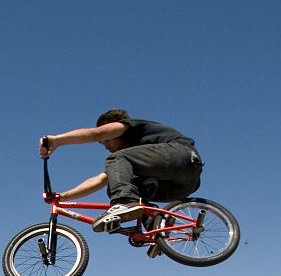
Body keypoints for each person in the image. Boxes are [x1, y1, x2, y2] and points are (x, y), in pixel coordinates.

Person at [39, 109, 204, 255]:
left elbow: (95, 133)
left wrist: (56, 140)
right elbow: (101, 179)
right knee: (116, 183)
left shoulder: (128, 127)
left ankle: (126, 203)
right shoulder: (130, 160)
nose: (105, 146)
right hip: (179, 186)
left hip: (182, 156)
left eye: (106, 140)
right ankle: (157, 228)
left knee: (116, 162)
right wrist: (63, 196)